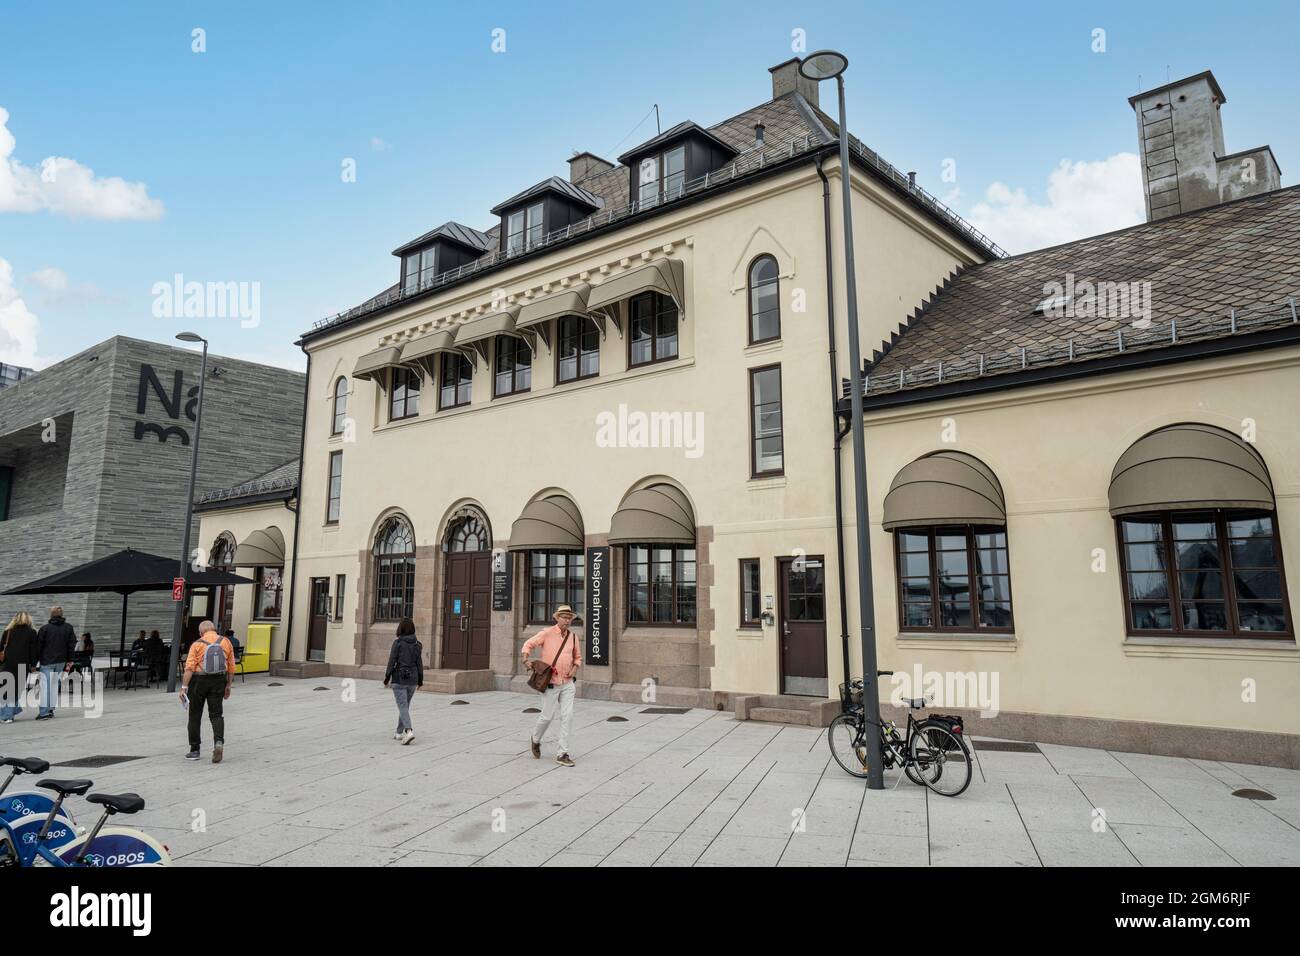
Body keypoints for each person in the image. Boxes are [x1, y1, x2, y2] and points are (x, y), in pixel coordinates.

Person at [520, 604, 582, 767]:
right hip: (551, 684)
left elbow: (578, 657)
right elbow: (528, 644)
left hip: (568, 683)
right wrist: (526, 659)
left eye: (569, 618)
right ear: (557, 618)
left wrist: (575, 668)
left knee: (567, 717)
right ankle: (535, 738)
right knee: (547, 717)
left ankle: (562, 753)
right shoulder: (547, 633)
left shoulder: (573, 637)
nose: (567, 621)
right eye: (564, 617)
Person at [179, 620, 235, 763]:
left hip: (199, 681)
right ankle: (218, 742)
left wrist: (184, 687)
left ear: (201, 632)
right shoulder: (226, 642)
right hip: (219, 680)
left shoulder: (197, 644)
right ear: (214, 630)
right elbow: (231, 666)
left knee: (195, 715)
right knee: (216, 715)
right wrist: (228, 685)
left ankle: (195, 750)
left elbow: (189, 668)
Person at [383, 617, 422, 745]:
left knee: (403, 706)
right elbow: (419, 664)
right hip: (413, 680)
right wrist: (420, 680)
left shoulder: (398, 643)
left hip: (399, 679)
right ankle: (399, 732)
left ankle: (408, 731)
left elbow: (391, 661)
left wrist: (387, 677)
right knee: (404, 706)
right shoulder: (417, 644)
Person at [34, 606, 76, 720]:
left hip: (47, 661)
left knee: (45, 686)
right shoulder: (68, 628)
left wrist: (34, 662)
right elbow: (71, 645)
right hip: (61, 661)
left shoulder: (45, 629)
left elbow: (38, 647)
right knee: (54, 685)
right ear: (61, 615)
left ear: (51, 615)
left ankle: (44, 712)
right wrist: (70, 660)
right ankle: (51, 709)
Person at [0, 612, 39, 723]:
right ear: (28, 620)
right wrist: (33, 665)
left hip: (7, 664)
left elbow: (0, 648)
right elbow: (33, 651)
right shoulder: (32, 633)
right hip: (22, 665)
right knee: (16, 690)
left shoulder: (7, 632)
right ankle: (8, 715)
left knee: (5, 690)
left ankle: (8, 714)